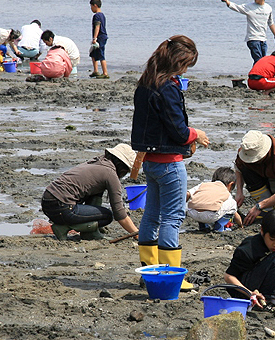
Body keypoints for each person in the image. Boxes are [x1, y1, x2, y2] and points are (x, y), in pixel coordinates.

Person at [131, 35, 210, 291]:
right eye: (186, 66)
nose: (186, 71)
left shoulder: (146, 83)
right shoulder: (168, 87)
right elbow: (178, 130)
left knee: (151, 215)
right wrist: (196, 133)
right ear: (178, 63)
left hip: (151, 162)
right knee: (173, 218)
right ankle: (169, 275)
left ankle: (149, 272)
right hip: (169, 164)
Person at [41, 144, 140, 241]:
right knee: (107, 216)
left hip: (47, 202)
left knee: (97, 192)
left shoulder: (97, 162)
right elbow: (119, 214)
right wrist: (137, 233)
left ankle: (90, 232)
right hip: (62, 207)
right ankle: (65, 227)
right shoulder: (110, 173)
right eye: (126, 171)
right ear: (122, 166)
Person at [224, 209, 275, 318]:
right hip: (246, 291)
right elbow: (228, 276)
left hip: (268, 285)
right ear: (262, 231)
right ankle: (272, 301)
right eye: (272, 239)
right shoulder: (249, 247)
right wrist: (250, 293)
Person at [218, 0, 275, 64]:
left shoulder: (268, 8)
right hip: (253, 39)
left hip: (263, 39)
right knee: (259, 61)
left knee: (262, 61)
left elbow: (270, 22)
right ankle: (257, 75)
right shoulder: (249, 7)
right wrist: (226, 1)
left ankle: (256, 75)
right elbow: (237, 7)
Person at [186, 166, 242, 232]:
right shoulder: (226, 192)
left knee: (200, 202)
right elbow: (235, 213)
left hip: (193, 212)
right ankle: (219, 227)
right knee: (232, 204)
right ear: (231, 184)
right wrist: (240, 225)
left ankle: (203, 226)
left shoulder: (203, 185)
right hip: (211, 216)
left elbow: (187, 194)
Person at [89, 0, 109, 79]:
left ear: (95, 5)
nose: (91, 8)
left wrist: (95, 38)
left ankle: (105, 73)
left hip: (100, 37)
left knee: (101, 54)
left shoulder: (97, 16)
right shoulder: (102, 15)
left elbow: (97, 26)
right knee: (93, 54)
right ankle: (96, 71)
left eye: (91, 6)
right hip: (101, 36)